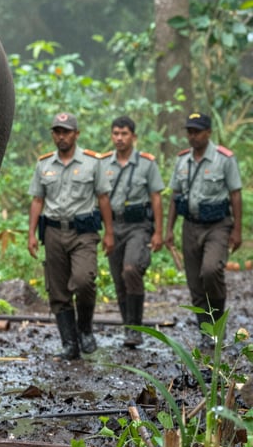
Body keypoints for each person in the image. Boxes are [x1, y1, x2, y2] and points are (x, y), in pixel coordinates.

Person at [28, 112, 114, 360]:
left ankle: (85, 328)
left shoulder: (91, 162)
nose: (61, 136)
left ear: (76, 134)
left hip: (83, 232)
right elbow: (37, 200)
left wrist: (109, 233)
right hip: (53, 231)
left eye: (66, 131)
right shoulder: (44, 164)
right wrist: (31, 234)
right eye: (57, 131)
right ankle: (69, 343)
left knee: (84, 279)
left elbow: (103, 198)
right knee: (57, 290)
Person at [165, 112, 243, 344]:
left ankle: (218, 325)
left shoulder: (224, 159)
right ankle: (207, 333)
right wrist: (169, 229)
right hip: (190, 225)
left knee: (210, 271)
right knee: (195, 283)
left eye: (197, 131)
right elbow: (175, 196)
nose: (193, 136)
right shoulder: (182, 160)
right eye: (189, 131)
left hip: (217, 226)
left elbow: (235, 194)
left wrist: (237, 230)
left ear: (208, 132)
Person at [99, 116, 164, 348]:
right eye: (115, 133)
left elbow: (156, 198)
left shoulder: (147, 164)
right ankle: (129, 328)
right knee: (118, 279)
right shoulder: (103, 163)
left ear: (133, 137)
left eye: (124, 133)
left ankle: (135, 327)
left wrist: (158, 231)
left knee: (131, 269)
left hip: (138, 226)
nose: (119, 138)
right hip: (114, 226)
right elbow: (100, 197)